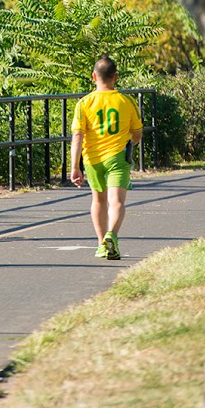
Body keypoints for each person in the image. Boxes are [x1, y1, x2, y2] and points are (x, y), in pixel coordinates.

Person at [70, 54, 143, 260]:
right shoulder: (125, 101)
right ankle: (112, 234)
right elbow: (137, 132)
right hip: (118, 157)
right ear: (116, 77)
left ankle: (102, 243)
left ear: (94, 76)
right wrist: (131, 142)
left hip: (92, 159)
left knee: (98, 201)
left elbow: (77, 135)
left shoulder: (84, 103)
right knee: (116, 201)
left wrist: (75, 166)